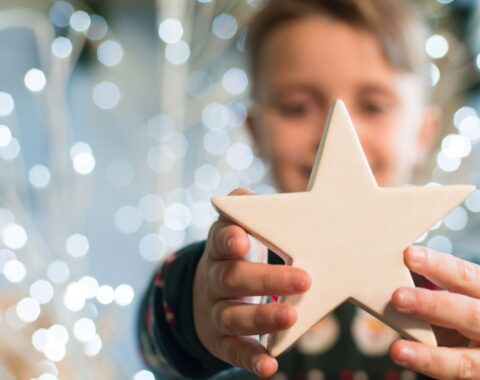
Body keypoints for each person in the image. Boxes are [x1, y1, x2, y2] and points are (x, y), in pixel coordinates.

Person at [138, 0, 480, 379]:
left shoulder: (461, 296)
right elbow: (155, 337)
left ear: (423, 134)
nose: (338, 130)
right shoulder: (243, 281)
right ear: (255, 132)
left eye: (374, 106)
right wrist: (198, 308)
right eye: (298, 107)